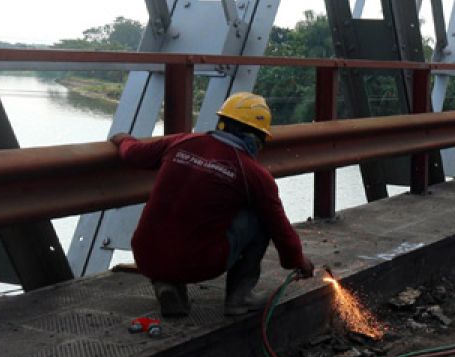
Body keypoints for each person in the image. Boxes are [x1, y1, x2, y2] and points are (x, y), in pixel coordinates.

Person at [111, 92, 315, 319]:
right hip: (197, 264)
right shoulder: (252, 173)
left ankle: (167, 284)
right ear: (256, 138)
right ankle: (240, 298)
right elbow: (280, 228)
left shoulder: (182, 141)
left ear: (222, 123)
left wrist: (122, 139)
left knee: (177, 219)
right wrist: (297, 261)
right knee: (259, 218)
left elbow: (133, 154)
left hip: (146, 255)